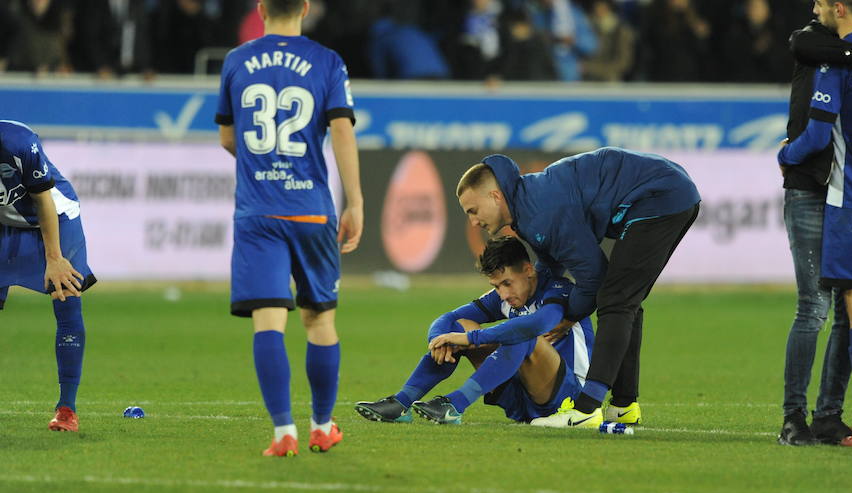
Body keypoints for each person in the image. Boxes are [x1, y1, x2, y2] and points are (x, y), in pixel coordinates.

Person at [455, 148, 700, 428]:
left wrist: (568, 315)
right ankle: (623, 405)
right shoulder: (528, 207)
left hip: (659, 196)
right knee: (624, 300)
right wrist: (551, 304)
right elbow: (551, 263)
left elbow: (593, 275)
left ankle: (586, 409)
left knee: (615, 300)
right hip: (671, 192)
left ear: (495, 196)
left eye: (473, 211)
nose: (473, 221)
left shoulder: (540, 213)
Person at [215, 0, 364, 456]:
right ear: (305, 7)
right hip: (311, 209)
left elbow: (226, 137)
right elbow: (341, 131)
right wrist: (354, 200)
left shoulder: (236, 60)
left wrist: (265, 166)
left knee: (268, 321)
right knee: (319, 319)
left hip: (259, 213)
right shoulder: (327, 61)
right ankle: (322, 425)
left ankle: (284, 434)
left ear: (260, 8)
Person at [778, 0, 852, 449]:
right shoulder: (819, 43)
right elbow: (802, 41)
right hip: (814, 190)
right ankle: (793, 417)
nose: (813, 8)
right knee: (814, 308)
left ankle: (829, 415)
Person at [354, 236, 594, 425]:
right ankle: (401, 403)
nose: (503, 294)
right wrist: (439, 340)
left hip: (568, 399)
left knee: (520, 334)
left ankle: (454, 405)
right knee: (460, 327)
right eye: (496, 286)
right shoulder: (503, 297)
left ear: (528, 270)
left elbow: (538, 325)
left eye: (507, 283)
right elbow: (450, 318)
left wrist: (471, 339)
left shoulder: (558, 290)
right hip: (522, 398)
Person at [0, 120, 96, 432]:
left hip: (54, 216)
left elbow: (43, 199)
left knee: (65, 294)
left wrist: (54, 258)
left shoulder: (19, 141)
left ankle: (67, 408)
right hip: (4, 220)